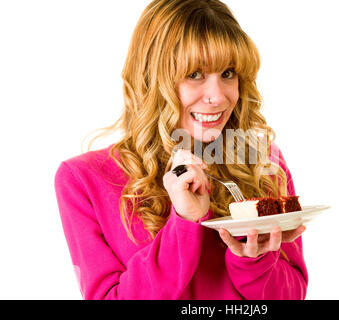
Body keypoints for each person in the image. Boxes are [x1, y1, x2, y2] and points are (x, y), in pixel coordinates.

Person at [54, 0, 308, 300]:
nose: (218, 96)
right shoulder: (83, 179)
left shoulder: (264, 162)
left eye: (228, 73)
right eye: (195, 74)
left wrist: (254, 261)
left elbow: (292, 295)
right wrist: (184, 223)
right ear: (152, 79)